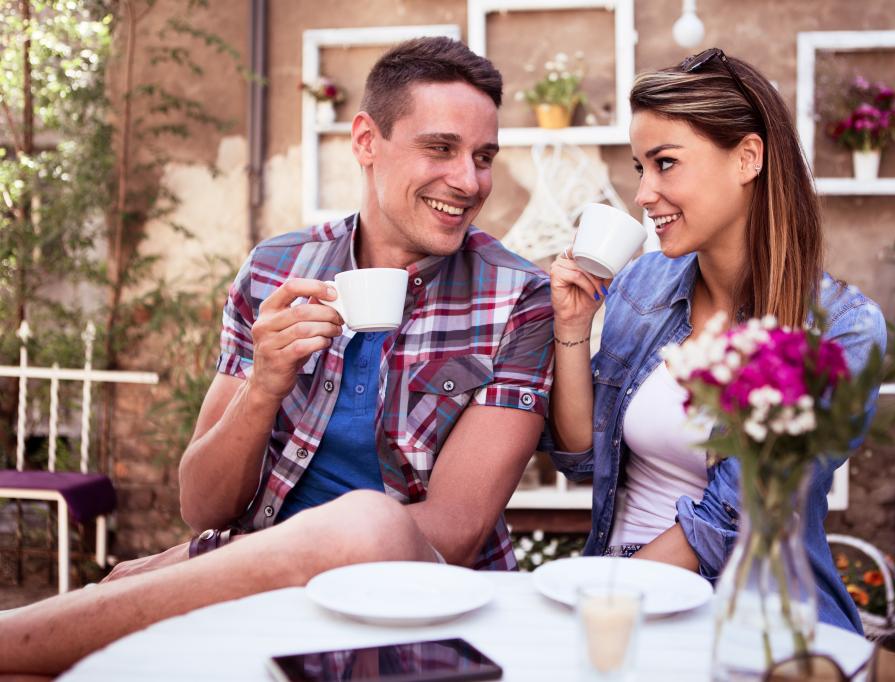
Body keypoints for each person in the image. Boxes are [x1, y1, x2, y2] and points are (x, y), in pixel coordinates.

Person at [0, 36, 553, 675]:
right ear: (367, 141)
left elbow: (455, 533)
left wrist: (198, 564)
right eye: (441, 148)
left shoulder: (518, 297)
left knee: (368, 524)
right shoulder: (275, 271)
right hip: (257, 601)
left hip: (417, 613)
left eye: (483, 156)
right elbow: (204, 506)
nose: (469, 181)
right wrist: (263, 384)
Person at [545, 48, 886, 633]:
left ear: (747, 157)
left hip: (746, 619)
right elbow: (580, 456)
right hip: (624, 594)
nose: (643, 193)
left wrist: (600, 607)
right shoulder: (642, 285)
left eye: (665, 163)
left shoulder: (841, 331)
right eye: (639, 168)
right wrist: (572, 329)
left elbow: (729, 522)